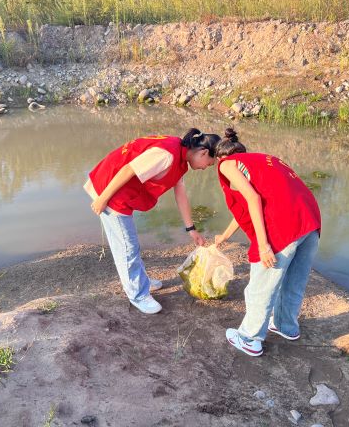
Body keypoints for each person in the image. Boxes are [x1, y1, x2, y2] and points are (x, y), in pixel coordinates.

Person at [85, 128, 221, 314]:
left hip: (120, 191)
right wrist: (103, 198)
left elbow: (180, 192)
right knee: (126, 246)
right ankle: (138, 295)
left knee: (130, 244)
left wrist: (191, 229)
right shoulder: (167, 154)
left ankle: (141, 282)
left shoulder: (181, 156)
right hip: (110, 190)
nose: (206, 168)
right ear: (203, 152)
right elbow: (128, 169)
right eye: (209, 163)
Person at [214, 128, 321, 356]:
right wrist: (225, 236)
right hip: (310, 221)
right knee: (294, 281)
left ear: (221, 157)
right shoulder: (264, 160)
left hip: (285, 225)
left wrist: (263, 246)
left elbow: (252, 199)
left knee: (261, 286)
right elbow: (251, 204)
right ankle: (287, 327)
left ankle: (249, 338)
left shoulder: (226, 164)